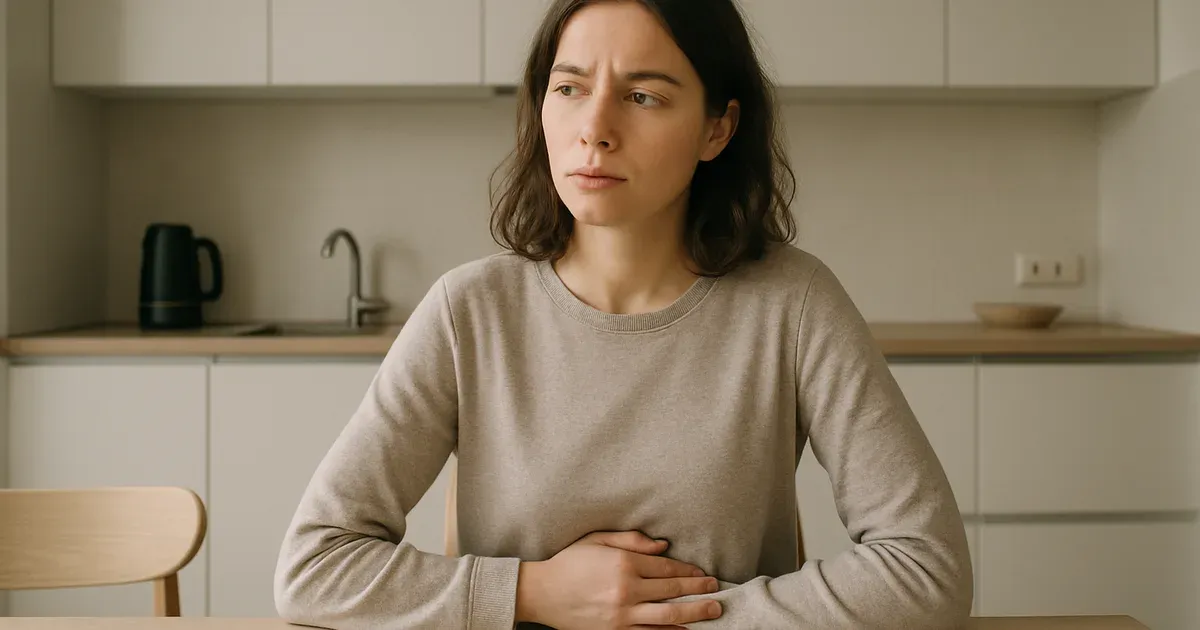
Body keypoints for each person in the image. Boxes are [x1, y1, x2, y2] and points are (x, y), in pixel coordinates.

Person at [273, 0, 974, 628]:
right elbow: (312, 568)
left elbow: (927, 567)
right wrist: (532, 593)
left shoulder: (794, 303)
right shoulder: (470, 311)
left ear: (717, 128)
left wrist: (693, 615)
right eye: (570, 88)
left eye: (642, 95)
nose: (595, 129)